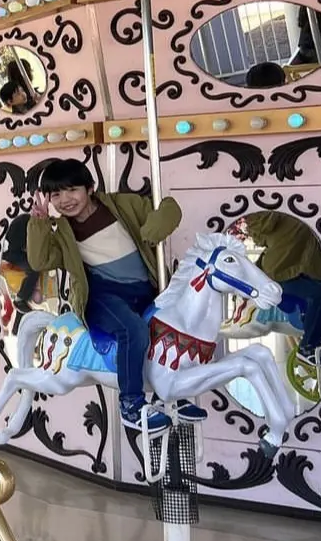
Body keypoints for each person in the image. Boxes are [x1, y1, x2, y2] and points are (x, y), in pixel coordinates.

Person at [28, 158, 203, 432]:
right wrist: (38, 223)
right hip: (102, 295)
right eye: (56, 195)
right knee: (133, 330)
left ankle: (169, 394)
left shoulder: (123, 206)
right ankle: (131, 403)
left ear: (90, 188)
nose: (65, 200)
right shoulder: (62, 231)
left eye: (72, 190)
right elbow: (40, 260)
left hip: (144, 290)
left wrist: (154, 228)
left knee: (172, 332)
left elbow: (168, 208)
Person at [244, 210, 321, 359]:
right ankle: (308, 347)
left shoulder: (281, 216)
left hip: (289, 268)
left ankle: (317, 333)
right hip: (280, 272)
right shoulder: (299, 215)